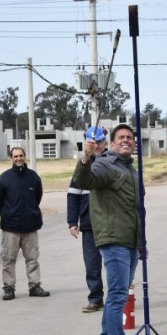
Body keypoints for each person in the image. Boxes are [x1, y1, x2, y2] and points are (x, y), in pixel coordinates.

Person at [73, 124, 144, 335]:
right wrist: (85, 158)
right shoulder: (104, 164)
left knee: (119, 295)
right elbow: (85, 180)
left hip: (130, 240)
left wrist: (141, 242)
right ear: (112, 143)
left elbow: (137, 209)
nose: (126, 140)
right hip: (114, 240)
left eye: (129, 138)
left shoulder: (131, 170)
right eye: (121, 138)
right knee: (116, 297)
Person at [0, 146, 49, 300]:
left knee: (32, 259)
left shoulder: (33, 177)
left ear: (25, 157)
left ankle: (35, 286)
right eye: (15, 156)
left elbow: (37, 197)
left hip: (30, 226)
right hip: (10, 228)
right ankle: (9, 288)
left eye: (21, 155)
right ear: (11, 158)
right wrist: (7, 215)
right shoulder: (4, 179)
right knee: (8, 260)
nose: (19, 158)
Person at [68, 126, 108, 312]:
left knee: (114, 264)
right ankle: (96, 298)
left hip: (110, 223)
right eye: (93, 142)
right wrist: (72, 222)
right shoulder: (82, 165)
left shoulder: (112, 161)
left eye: (99, 142)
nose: (97, 146)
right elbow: (73, 194)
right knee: (92, 265)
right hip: (89, 224)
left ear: (106, 142)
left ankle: (121, 298)